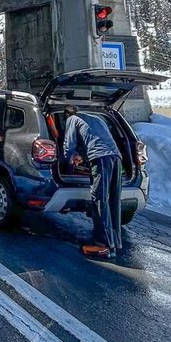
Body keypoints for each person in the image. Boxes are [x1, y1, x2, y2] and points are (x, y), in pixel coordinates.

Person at [62, 105, 123, 259]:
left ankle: (102, 245)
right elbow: (97, 139)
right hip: (116, 157)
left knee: (99, 199)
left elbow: (68, 145)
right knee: (113, 200)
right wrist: (82, 156)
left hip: (101, 158)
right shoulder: (98, 118)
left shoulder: (72, 119)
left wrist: (66, 162)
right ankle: (115, 241)